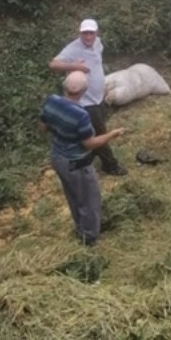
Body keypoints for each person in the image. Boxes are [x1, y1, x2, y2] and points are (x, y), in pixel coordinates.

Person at [39, 72, 127, 246]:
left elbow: (42, 127)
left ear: (64, 86)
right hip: (76, 163)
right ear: (84, 91)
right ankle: (89, 239)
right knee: (90, 200)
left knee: (73, 195)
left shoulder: (51, 101)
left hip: (57, 158)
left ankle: (81, 228)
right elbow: (89, 144)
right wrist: (112, 135)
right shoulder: (81, 115)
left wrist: (60, 128)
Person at [49, 19, 128, 176]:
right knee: (100, 132)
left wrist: (102, 86)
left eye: (91, 33)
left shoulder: (98, 43)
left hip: (98, 97)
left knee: (91, 132)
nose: (88, 36)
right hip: (85, 101)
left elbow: (96, 65)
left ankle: (86, 158)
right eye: (85, 33)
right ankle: (110, 165)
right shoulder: (73, 48)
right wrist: (74, 66)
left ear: (96, 33)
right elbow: (53, 64)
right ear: (80, 33)